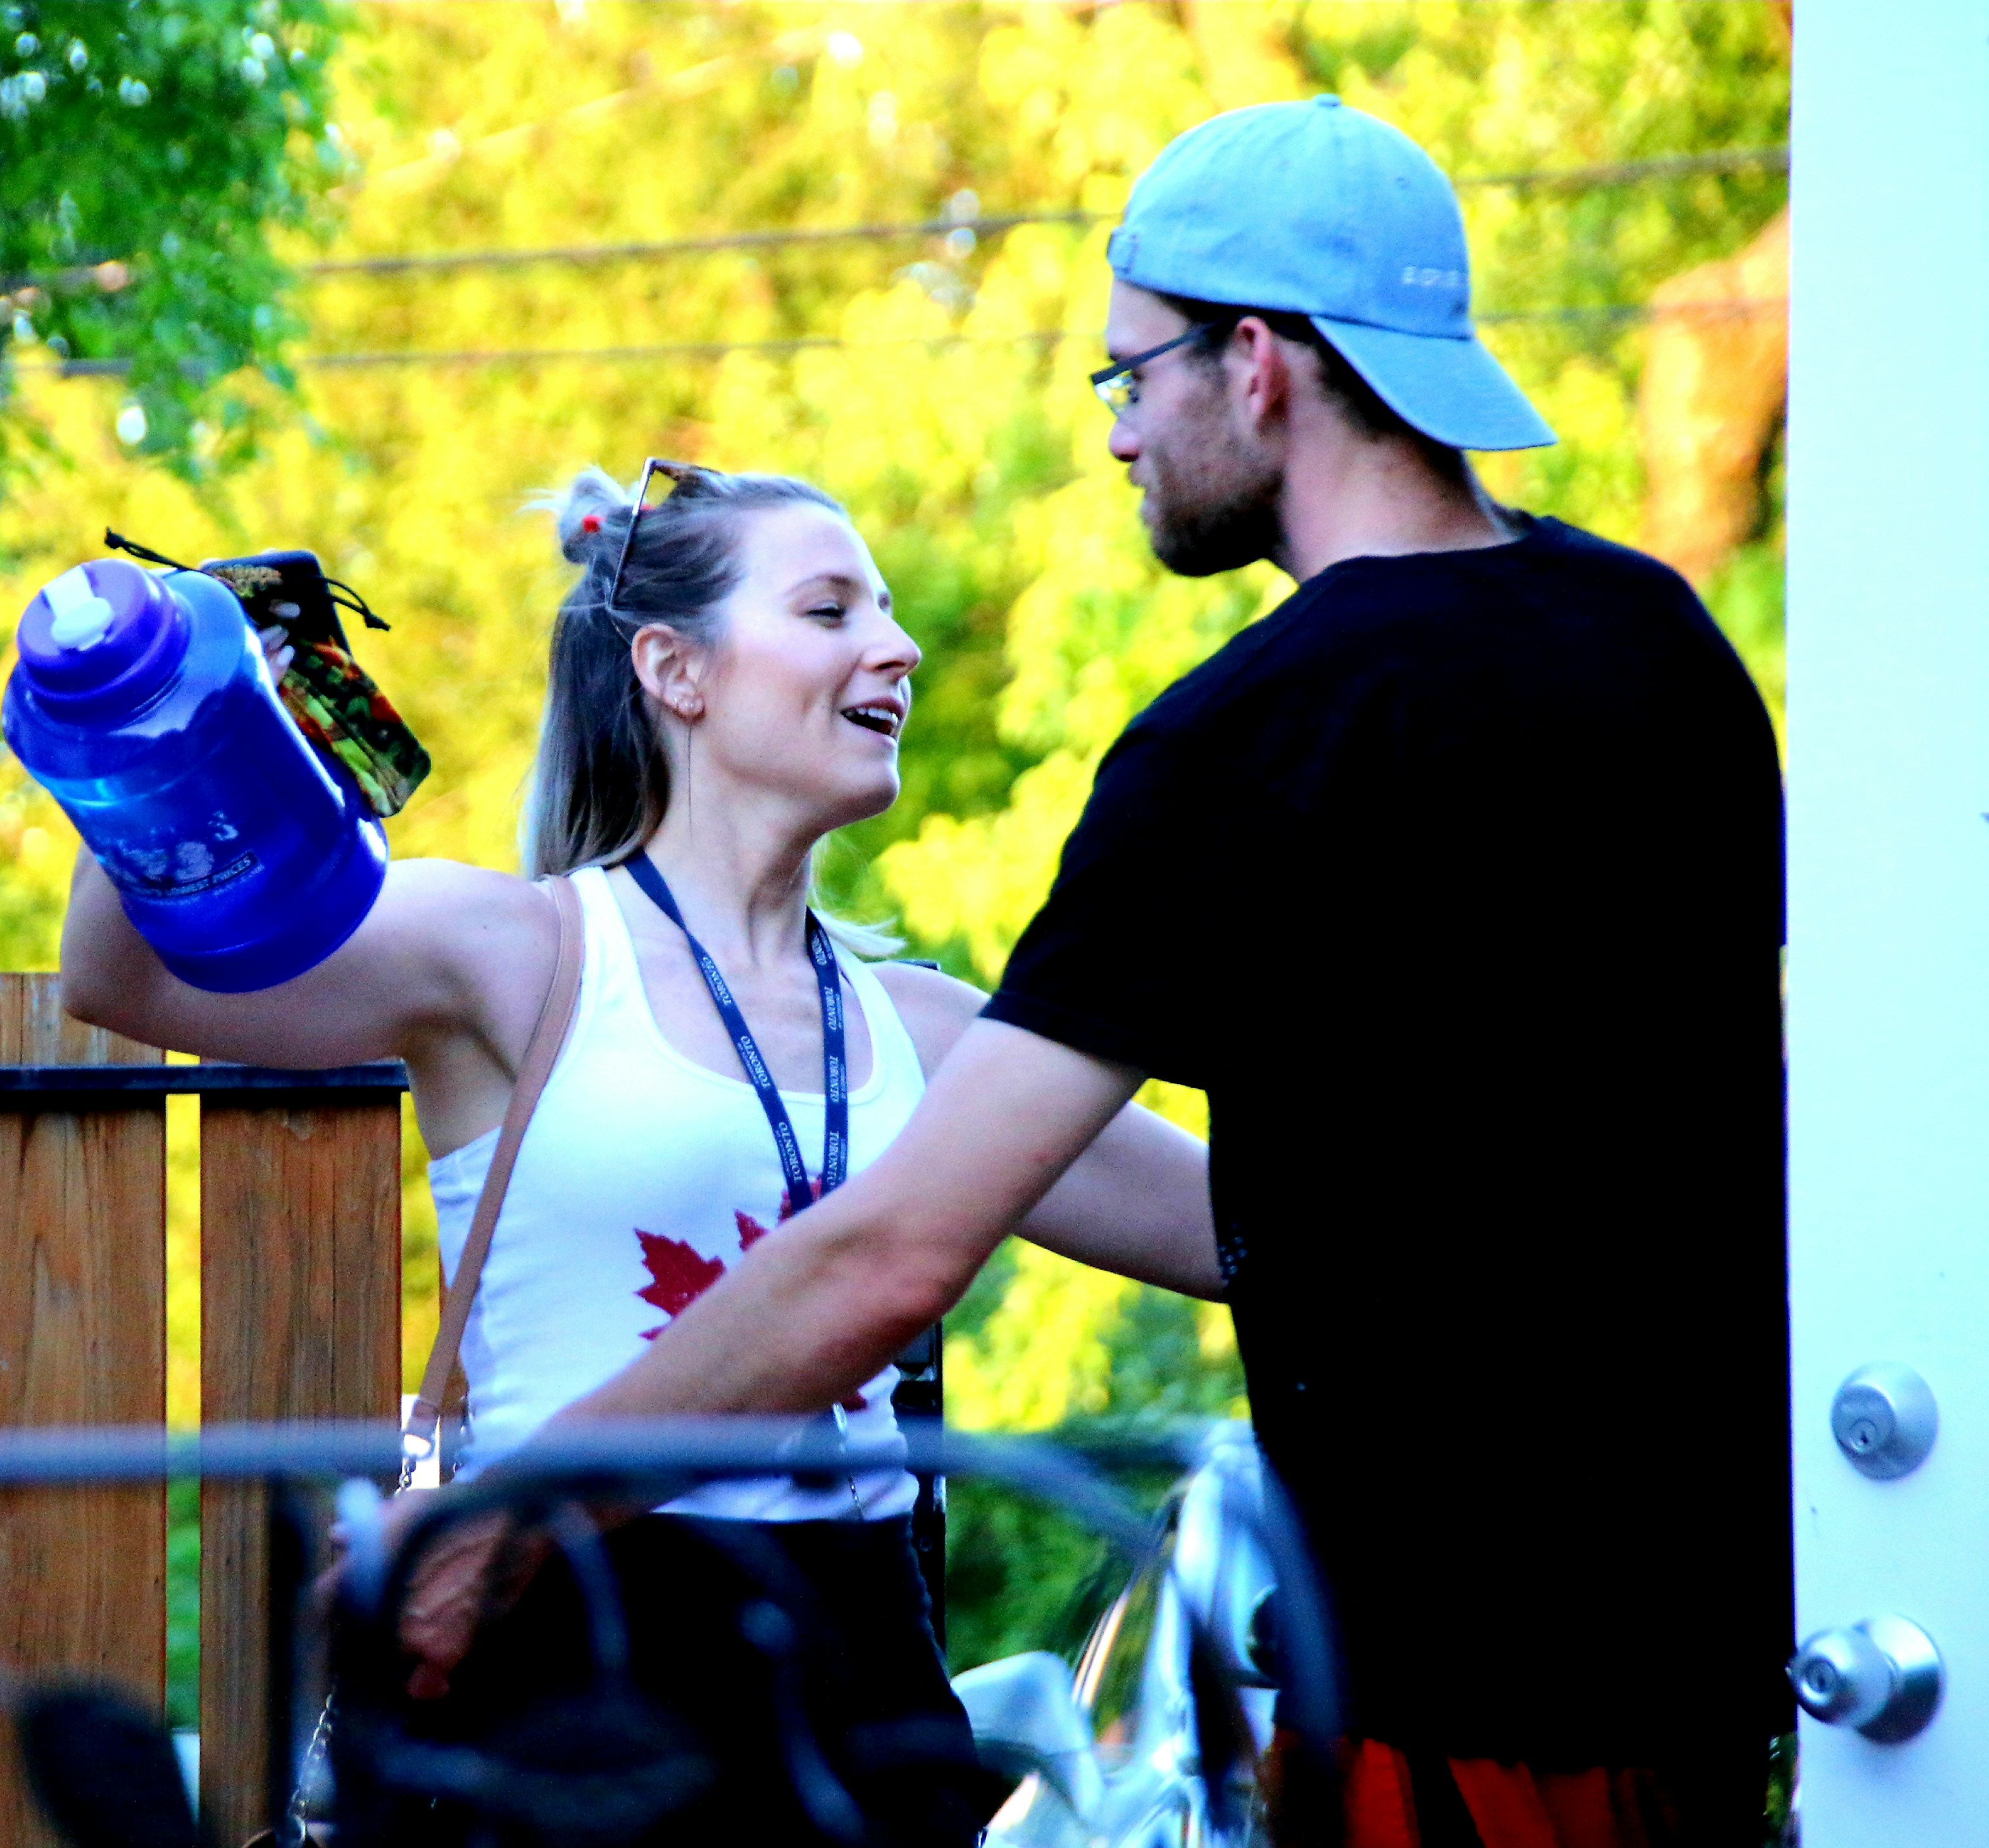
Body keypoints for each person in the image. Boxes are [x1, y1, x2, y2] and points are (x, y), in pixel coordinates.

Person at [422, 98, 1790, 1847]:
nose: (1124, 433)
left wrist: (507, 1520)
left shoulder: (1255, 740)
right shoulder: (1660, 643)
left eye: (1131, 376)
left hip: (1458, 1704)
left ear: (1257, 363)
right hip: (1719, 1678)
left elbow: (895, 1251)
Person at [57, 461, 1218, 1844]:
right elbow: (123, 979)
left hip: (864, 1673)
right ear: (675, 670)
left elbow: (1250, 1232)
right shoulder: (517, 952)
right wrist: (178, 711)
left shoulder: (929, 1028)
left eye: (889, 610)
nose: (899, 647)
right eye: (832, 610)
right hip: (572, 1657)